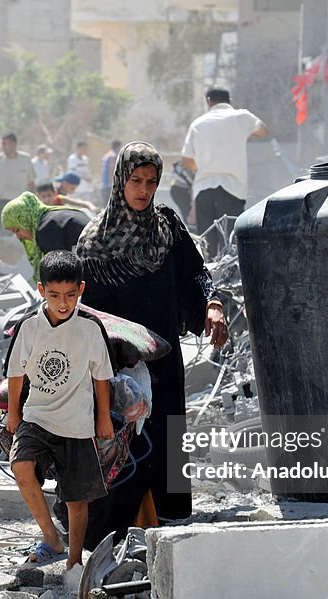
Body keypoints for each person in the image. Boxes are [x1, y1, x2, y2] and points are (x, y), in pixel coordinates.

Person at [75, 141, 229, 548]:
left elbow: (195, 271)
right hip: (119, 364)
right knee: (125, 437)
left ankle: (170, 518)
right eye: (136, 181)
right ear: (120, 182)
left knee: (167, 431)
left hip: (164, 358)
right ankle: (118, 527)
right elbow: (83, 312)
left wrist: (211, 305)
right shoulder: (94, 243)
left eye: (151, 182)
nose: (143, 190)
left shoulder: (167, 227)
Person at [5, 250, 114, 568]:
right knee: (22, 466)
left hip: (77, 423)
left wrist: (103, 417)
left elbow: (101, 377)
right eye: (54, 295)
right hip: (37, 415)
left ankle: (75, 561)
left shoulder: (90, 328)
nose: (63, 303)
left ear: (81, 289)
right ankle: (51, 539)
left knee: (76, 499)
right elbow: (16, 373)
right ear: (41, 291)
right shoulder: (29, 327)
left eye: (69, 295)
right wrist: (14, 413)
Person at [181, 86, 267, 258]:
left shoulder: (197, 124)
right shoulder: (241, 117)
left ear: (208, 102)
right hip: (232, 189)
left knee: (207, 246)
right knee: (231, 245)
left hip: (203, 190)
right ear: (229, 101)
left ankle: (207, 282)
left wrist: (206, 165)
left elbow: (186, 162)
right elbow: (263, 131)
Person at [1, 191, 89, 281]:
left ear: (25, 221)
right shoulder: (55, 214)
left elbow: (61, 273)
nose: (18, 236)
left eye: (17, 230)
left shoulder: (46, 230)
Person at [0, 133, 35, 234]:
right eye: (2, 144)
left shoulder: (25, 160)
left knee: (22, 237)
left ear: (14, 144)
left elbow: (31, 183)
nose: (3, 146)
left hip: (21, 204)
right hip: (3, 204)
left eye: (5, 143)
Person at [100, 140, 121, 206]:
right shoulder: (112, 156)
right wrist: (113, 182)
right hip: (109, 184)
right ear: (117, 147)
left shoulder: (107, 154)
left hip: (104, 183)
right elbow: (111, 170)